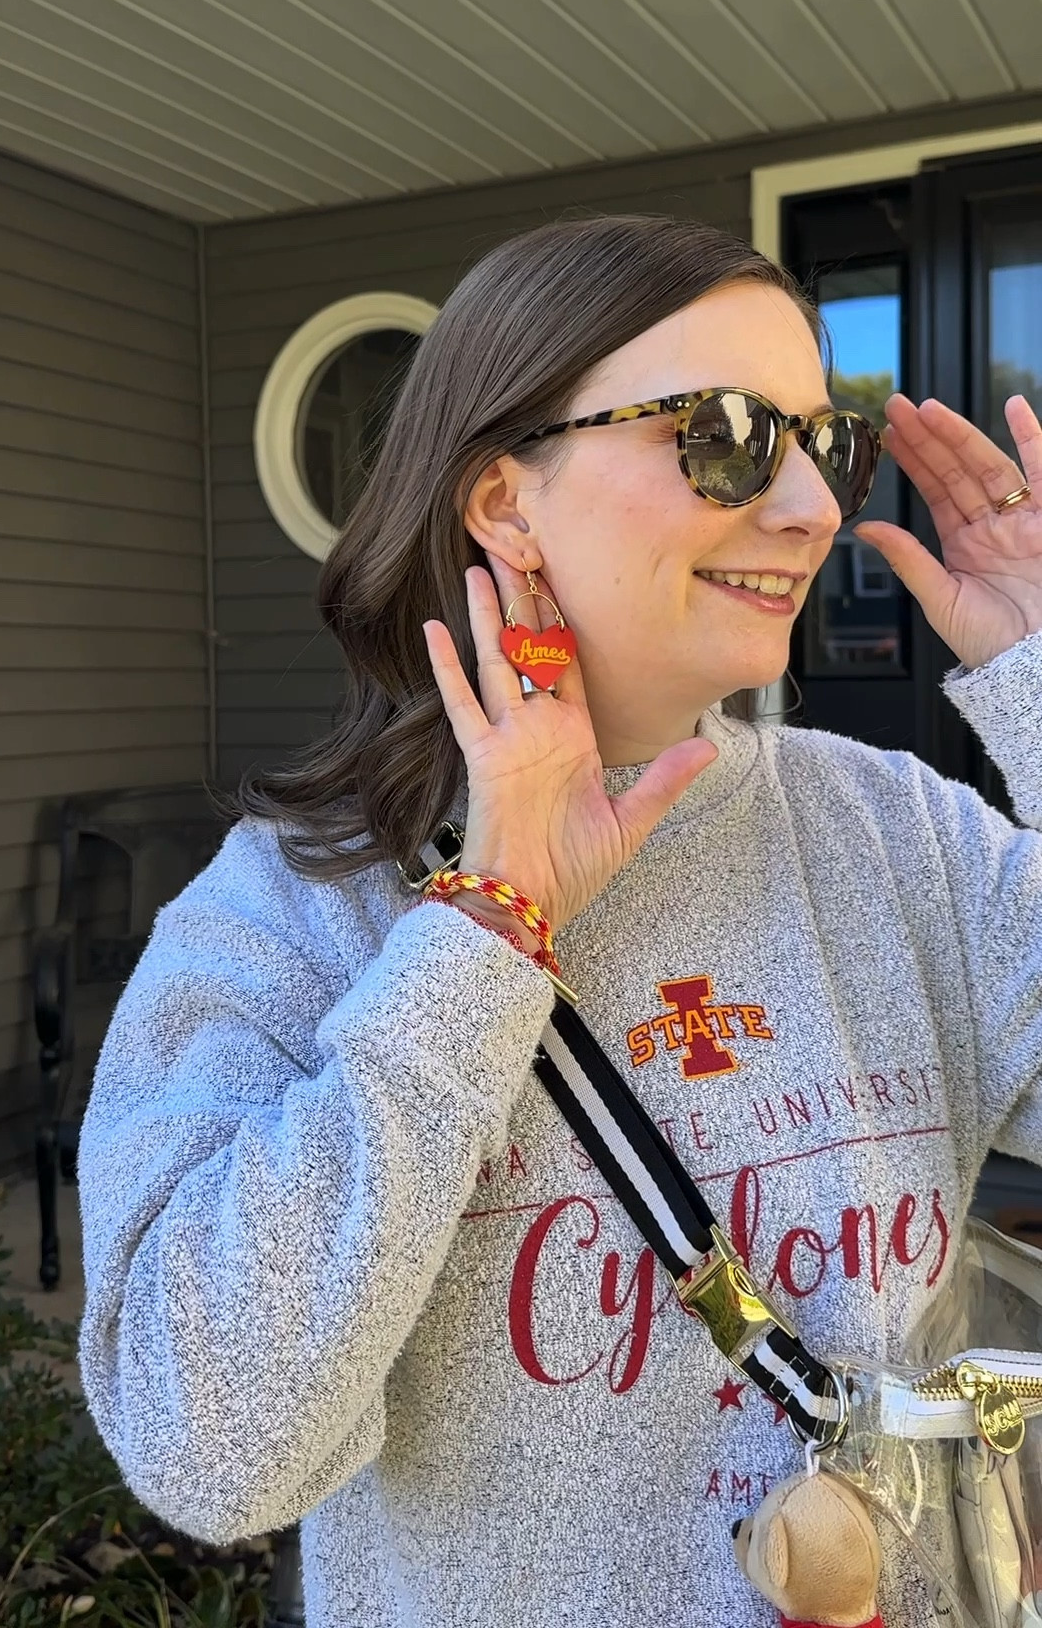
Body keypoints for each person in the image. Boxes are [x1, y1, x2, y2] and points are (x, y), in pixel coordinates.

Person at [76, 214, 1042, 1627]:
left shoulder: (895, 835)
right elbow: (207, 1448)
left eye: (818, 441)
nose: (815, 508)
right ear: (504, 503)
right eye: (723, 434)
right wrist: (488, 932)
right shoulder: (293, 911)